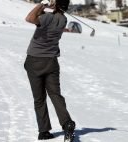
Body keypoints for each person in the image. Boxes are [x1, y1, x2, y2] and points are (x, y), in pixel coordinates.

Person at [24, 0, 75, 140]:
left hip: (35, 61)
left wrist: (42, 4)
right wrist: (52, 7)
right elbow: (42, 18)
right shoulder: (63, 20)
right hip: (51, 62)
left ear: (56, 4)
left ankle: (44, 131)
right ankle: (67, 123)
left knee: (39, 98)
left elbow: (29, 18)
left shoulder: (47, 18)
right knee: (55, 95)